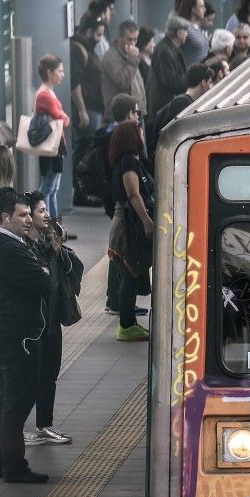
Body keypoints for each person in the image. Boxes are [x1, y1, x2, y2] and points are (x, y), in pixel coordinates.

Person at [0, 188, 52, 483]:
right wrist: (44, 270)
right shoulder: (10, 249)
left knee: (6, 398)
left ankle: (1, 461)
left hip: (5, 328)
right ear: (6, 217)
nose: (28, 220)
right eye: (22, 215)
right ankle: (13, 465)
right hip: (18, 332)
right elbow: (42, 281)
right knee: (17, 402)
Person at [23, 191, 73, 447]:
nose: (46, 214)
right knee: (29, 377)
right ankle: (17, 428)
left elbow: (69, 274)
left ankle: (45, 425)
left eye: (45, 209)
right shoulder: (24, 247)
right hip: (32, 324)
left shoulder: (47, 243)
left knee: (49, 374)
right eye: (40, 210)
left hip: (51, 321)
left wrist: (57, 250)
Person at [108, 122, 154, 342]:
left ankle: (129, 323)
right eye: (139, 132)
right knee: (129, 272)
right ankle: (126, 325)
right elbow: (133, 194)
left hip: (128, 220)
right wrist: (147, 222)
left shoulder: (132, 161)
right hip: (127, 223)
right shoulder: (128, 162)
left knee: (132, 272)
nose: (143, 134)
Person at [70, 14, 107, 207]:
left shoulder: (86, 48)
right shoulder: (78, 49)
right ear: (89, 32)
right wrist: (82, 110)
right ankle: (79, 191)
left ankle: (84, 190)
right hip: (88, 108)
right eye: (99, 34)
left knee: (87, 148)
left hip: (93, 108)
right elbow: (74, 83)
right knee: (84, 149)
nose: (100, 38)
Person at [35, 54, 71, 219]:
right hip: (52, 145)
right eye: (60, 71)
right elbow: (60, 118)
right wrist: (64, 116)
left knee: (51, 188)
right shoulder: (45, 94)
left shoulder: (46, 92)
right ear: (49, 72)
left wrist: (63, 117)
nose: (62, 75)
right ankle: (48, 224)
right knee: (48, 188)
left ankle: (53, 224)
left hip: (54, 145)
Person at [152, 64, 214, 142]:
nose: (211, 86)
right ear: (203, 82)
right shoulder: (182, 103)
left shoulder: (185, 101)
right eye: (210, 82)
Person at [102, 20, 148, 123]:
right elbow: (123, 81)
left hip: (136, 113)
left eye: (135, 39)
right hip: (121, 117)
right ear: (120, 38)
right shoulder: (111, 57)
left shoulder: (130, 54)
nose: (132, 43)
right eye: (129, 39)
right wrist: (133, 60)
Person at [147, 15, 190, 121]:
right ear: (179, 32)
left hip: (167, 104)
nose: (187, 34)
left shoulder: (171, 48)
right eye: (185, 31)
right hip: (164, 106)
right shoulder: (165, 51)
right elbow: (170, 80)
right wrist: (190, 82)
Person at [176, 0, 211, 67]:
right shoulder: (183, 28)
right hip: (190, 75)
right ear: (192, 9)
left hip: (203, 74)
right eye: (201, 6)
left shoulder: (198, 29)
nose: (205, 9)